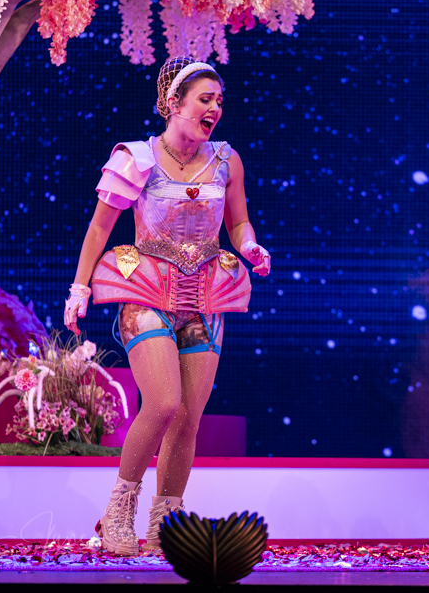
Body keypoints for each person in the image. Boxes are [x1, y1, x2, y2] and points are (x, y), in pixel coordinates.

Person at [63, 56, 272, 555]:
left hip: (205, 298)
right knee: (162, 403)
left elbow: (237, 222)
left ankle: (165, 524)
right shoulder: (137, 159)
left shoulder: (227, 160)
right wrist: (79, 288)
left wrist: (249, 246)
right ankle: (117, 513)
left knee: (188, 418)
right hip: (147, 291)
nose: (215, 109)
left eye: (219, 101)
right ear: (174, 103)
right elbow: (99, 227)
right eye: (205, 99)